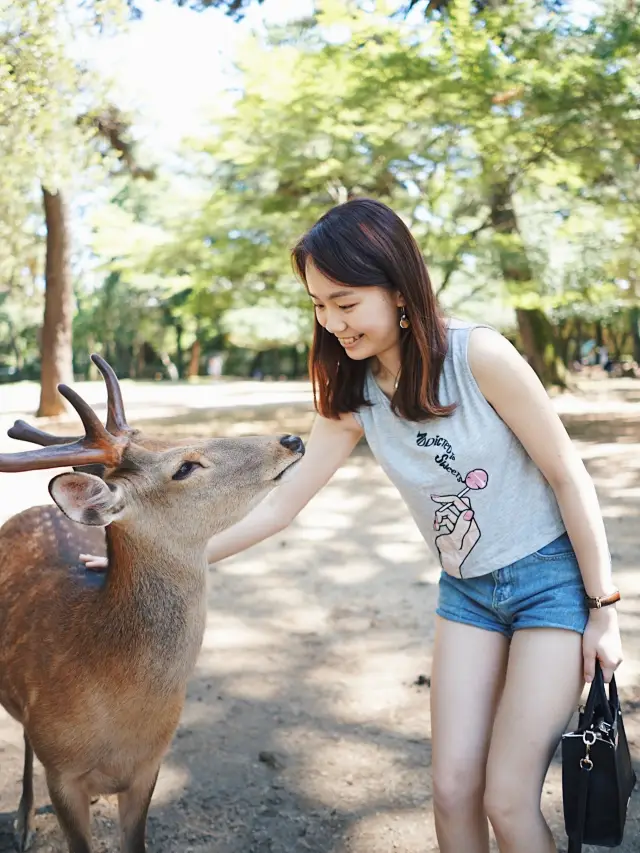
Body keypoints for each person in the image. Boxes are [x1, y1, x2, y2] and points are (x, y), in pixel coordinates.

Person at [81, 198, 623, 853]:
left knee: (507, 798)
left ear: (398, 290)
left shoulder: (481, 356)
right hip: (468, 595)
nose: (331, 321)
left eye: (345, 301)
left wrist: (604, 609)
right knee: (453, 792)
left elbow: (567, 474)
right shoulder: (353, 395)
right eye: (317, 305)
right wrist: (162, 555)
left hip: (550, 585)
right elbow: (283, 505)